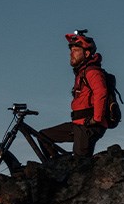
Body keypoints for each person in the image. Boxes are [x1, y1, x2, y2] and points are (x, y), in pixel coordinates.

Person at [39, 29, 108, 158]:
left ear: (87, 53)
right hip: (78, 124)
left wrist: (96, 119)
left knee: (80, 166)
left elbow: (101, 92)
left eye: (76, 51)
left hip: (88, 126)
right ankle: (57, 169)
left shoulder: (92, 71)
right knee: (43, 137)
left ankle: (65, 171)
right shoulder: (81, 72)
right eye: (71, 51)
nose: (72, 54)